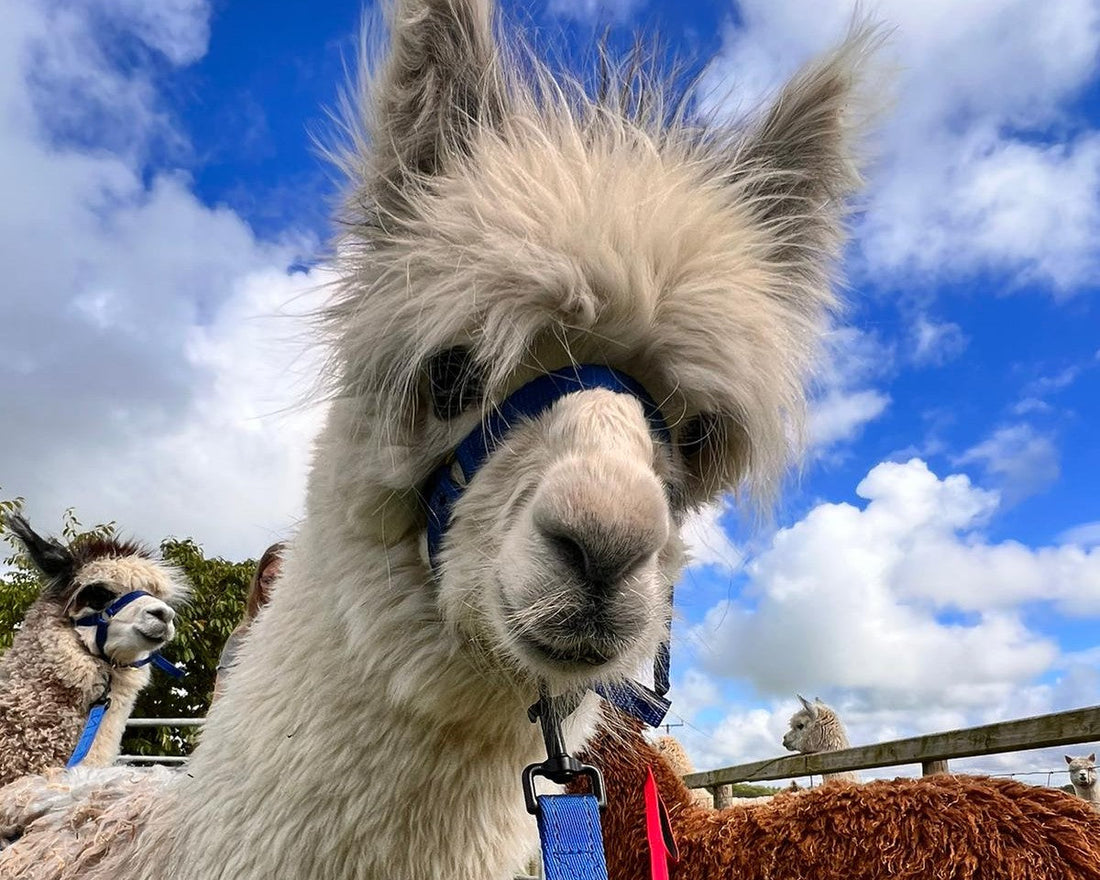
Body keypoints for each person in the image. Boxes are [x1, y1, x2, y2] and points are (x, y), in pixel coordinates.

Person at [212, 542, 284, 703]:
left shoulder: (320, 634)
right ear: (259, 583)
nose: (275, 589)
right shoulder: (242, 636)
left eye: (282, 579)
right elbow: (220, 696)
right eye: (268, 580)